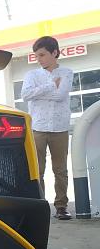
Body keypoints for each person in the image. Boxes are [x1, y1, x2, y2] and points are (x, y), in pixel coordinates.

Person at [21, 36, 73, 220]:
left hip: (60, 128)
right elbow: (26, 95)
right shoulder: (31, 75)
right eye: (36, 56)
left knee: (60, 170)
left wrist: (41, 92)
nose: (39, 59)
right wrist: (51, 85)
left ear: (55, 53)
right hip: (38, 128)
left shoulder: (67, 72)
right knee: (38, 169)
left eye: (42, 55)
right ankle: (41, 207)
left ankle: (61, 207)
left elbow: (60, 96)